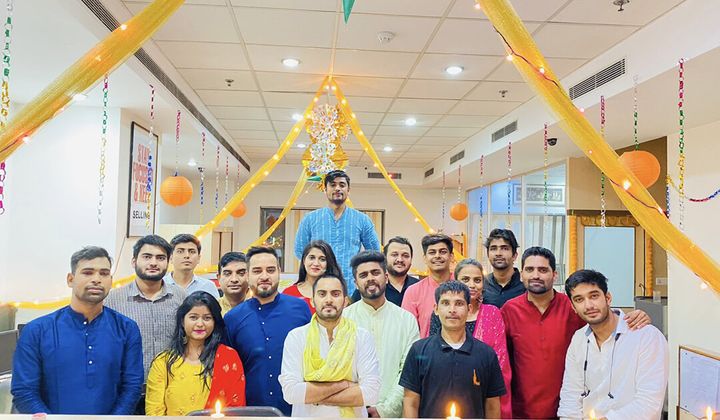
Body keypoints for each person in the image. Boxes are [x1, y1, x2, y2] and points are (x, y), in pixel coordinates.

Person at [502, 247, 651, 419]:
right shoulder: (509, 310)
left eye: (543, 270)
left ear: (554, 275)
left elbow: (601, 320)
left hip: (570, 408)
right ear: (521, 274)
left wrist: (632, 318)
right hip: (521, 411)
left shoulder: (572, 306)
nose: (536, 275)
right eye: (529, 269)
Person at [11, 246, 143, 414]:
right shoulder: (37, 331)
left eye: (104, 273)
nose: (97, 279)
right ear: (70, 279)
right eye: (88, 272)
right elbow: (24, 391)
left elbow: (132, 386)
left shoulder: (126, 329)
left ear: (110, 280)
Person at [558, 270, 669, 420]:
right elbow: (570, 396)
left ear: (608, 298)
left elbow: (649, 404)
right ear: (573, 307)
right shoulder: (578, 339)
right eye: (579, 299)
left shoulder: (646, 336)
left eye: (594, 296)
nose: (588, 305)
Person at [224, 246, 311, 416]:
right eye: (257, 271)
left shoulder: (300, 308)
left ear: (279, 272)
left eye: (270, 270)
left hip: (297, 409)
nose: (264, 276)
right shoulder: (233, 318)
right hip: (249, 410)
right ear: (247, 275)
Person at [279, 274, 381, 417]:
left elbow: (371, 393)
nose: (328, 300)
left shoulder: (361, 337)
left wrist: (313, 397)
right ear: (312, 301)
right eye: (322, 294)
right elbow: (291, 393)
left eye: (335, 294)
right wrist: (344, 385)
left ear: (345, 301)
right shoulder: (296, 337)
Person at [400, 281, 505, 419]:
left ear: (469, 309)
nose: (452, 310)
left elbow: (492, 405)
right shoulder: (419, 350)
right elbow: (411, 402)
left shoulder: (486, 354)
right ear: (436, 309)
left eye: (459, 303)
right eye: (445, 303)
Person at [428, 259, 512, 418]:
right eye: (465, 279)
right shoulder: (443, 313)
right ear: (455, 281)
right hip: (443, 391)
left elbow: (500, 361)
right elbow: (433, 354)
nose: (472, 285)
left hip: (483, 395)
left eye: (477, 280)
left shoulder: (492, 313)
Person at [344, 251, 420, 418]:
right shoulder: (343, 320)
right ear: (356, 283)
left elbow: (408, 371)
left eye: (375, 272)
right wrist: (358, 406)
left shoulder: (406, 320)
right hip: (350, 411)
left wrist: (384, 410)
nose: (370, 278)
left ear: (386, 277)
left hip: (394, 414)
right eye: (363, 275)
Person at [146, 292, 246, 416]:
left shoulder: (228, 358)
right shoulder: (163, 362)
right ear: (182, 321)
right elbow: (154, 413)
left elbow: (235, 408)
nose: (200, 324)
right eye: (193, 317)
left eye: (207, 318)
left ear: (215, 322)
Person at [105, 234, 187, 378]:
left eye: (160, 258)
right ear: (134, 261)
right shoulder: (113, 300)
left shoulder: (181, 297)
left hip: (172, 383)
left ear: (168, 262)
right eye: (147, 257)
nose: (153, 263)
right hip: (129, 384)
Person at [294, 170, 381, 295]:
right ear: (325, 189)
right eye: (333, 185)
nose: (337, 188)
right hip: (317, 290)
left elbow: (375, 253)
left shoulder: (362, 220)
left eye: (342, 185)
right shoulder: (310, 219)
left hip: (351, 290)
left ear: (348, 190)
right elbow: (300, 251)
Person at [401, 233, 454, 338]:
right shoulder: (413, 292)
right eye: (432, 252)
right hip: (424, 348)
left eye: (443, 252)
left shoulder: (463, 288)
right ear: (425, 258)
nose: (437, 256)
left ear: (451, 256)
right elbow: (406, 332)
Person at [350, 236, 419, 306]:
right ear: (385, 258)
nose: (400, 259)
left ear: (411, 260)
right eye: (394, 255)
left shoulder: (419, 287)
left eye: (405, 256)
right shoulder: (369, 287)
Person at [284, 240, 342, 314]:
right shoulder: (289, 293)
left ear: (329, 263)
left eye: (322, 259)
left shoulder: (337, 294)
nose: (316, 263)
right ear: (304, 260)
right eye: (312, 258)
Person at [163, 234, 220, 300]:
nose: (187, 255)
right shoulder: (160, 284)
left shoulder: (208, 286)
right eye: (180, 251)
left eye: (192, 252)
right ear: (170, 257)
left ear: (198, 258)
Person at [482, 229, 525, 308]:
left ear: (515, 255)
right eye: (493, 249)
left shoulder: (525, 285)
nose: (498, 253)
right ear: (488, 255)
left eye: (504, 248)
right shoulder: (482, 286)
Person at [217, 251, 250, 315]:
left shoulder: (259, 308)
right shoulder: (210, 309)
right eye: (227, 274)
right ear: (219, 278)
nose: (234, 279)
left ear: (249, 276)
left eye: (241, 273)